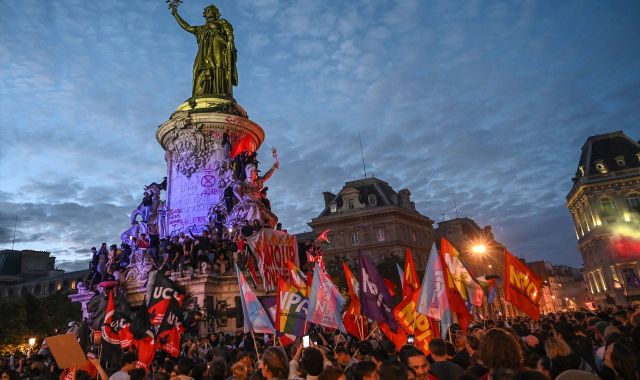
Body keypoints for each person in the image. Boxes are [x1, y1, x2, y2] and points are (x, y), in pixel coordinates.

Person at [171, 4, 237, 97]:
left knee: (218, 68)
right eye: (208, 11)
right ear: (205, 14)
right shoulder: (200, 29)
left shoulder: (222, 23)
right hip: (203, 54)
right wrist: (176, 15)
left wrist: (230, 42)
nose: (209, 12)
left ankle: (220, 92)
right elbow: (187, 27)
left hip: (219, 49)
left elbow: (229, 34)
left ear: (216, 13)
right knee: (197, 69)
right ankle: (202, 93)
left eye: (211, 11)